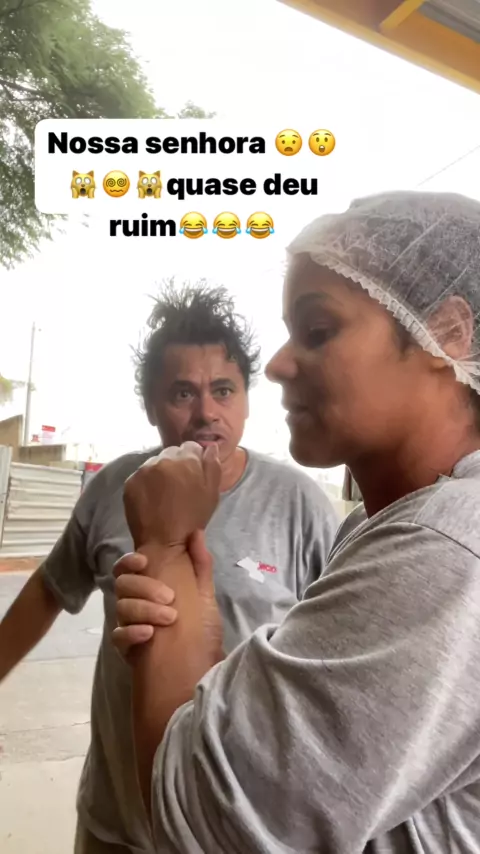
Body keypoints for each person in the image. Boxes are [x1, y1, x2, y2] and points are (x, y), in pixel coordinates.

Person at [113, 191, 480, 853]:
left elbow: (203, 823)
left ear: (448, 333)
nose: (279, 366)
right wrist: (197, 630)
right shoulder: (381, 523)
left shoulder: (446, 547)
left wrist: (165, 547)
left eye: (317, 330)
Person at [0, 282, 339, 854]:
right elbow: (47, 592)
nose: (206, 413)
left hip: (235, 829)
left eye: (223, 390)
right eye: (182, 393)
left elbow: (332, 660)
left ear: (245, 400)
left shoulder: (299, 503)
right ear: (150, 406)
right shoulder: (114, 489)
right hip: (115, 823)